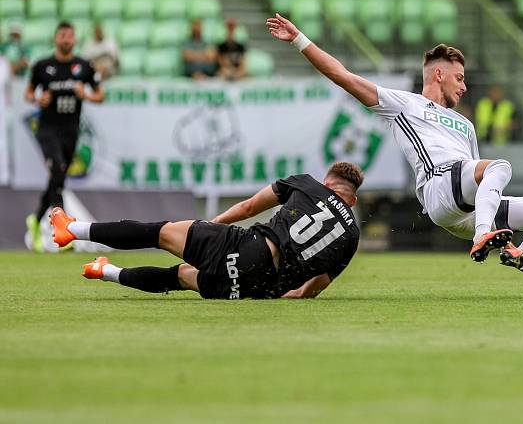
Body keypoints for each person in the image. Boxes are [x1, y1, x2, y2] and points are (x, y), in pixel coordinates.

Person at [267, 14, 523, 273]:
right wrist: (299, 40)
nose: (465, 86)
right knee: (499, 166)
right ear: (439, 75)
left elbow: (481, 179)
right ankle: (485, 234)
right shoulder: (404, 103)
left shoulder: (466, 125)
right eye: (460, 78)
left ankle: (522, 250)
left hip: (466, 209)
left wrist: (483, 212)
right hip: (439, 188)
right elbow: (342, 75)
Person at [48, 162, 364, 300]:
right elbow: (313, 288)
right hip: (260, 288)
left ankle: (72, 229)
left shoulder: (308, 184)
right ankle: (106, 271)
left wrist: (212, 227)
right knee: (182, 277)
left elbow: (249, 207)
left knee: (160, 233)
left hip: (249, 248)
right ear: (352, 199)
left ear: (327, 183)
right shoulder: (351, 239)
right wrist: (289, 292)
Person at [25, 21, 104, 252]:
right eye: (62, 35)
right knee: (57, 169)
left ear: (75, 39)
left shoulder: (84, 66)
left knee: (57, 179)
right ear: (55, 39)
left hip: (71, 130)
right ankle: (62, 228)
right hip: (47, 129)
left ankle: (36, 218)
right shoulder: (42, 66)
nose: (66, 39)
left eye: (70, 35)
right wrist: (37, 99)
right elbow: (28, 93)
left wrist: (86, 95)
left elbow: (100, 95)